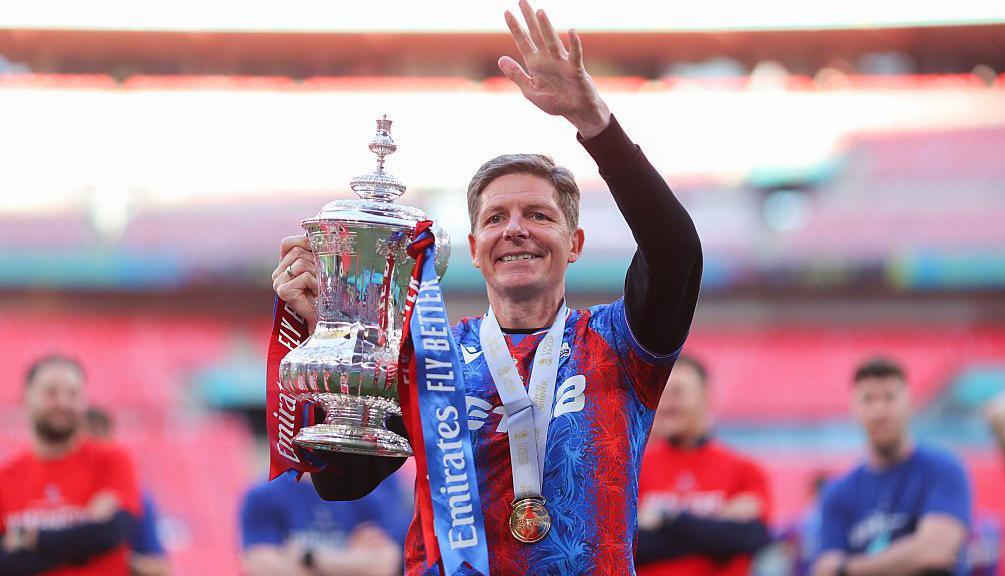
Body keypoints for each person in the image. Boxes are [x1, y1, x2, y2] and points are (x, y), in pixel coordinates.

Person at [271, 1, 702, 573]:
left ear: (574, 243)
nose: (516, 229)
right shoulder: (426, 355)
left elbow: (676, 255)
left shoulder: (620, 342)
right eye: (496, 218)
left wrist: (597, 126)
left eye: (539, 216)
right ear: (474, 250)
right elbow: (342, 483)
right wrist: (327, 331)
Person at [812, 357, 972, 576]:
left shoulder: (943, 469)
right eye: (868, 400)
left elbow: (936, 551)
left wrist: (847, 568)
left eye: (889, 398)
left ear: (910, 403)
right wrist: (910, 557)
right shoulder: (838, 493)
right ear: (854, 409)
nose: (879, 411)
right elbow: (825, 569)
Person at [0, 354, 142, 575]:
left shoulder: (113, 460)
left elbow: (111, 534)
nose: (63, 402)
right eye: (51, 392)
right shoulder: (6, 477)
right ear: (25, 398)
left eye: (73, 393)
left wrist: (30, 537)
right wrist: (85, 538)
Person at [635, 355, 772, 576]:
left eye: (677, 392)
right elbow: (631, 547)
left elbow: (751, 538)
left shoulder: (745, 470)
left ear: (705, 396)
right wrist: (715, 532)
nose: (668, 403)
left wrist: (667, 518)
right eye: (661, 393)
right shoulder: (633, 471)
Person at [239, 470, 410, 576]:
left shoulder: (374, 490)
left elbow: (384, 564)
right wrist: (350, 565)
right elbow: (261, 566)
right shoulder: (264, 495)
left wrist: (308, 557)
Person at [83, 407, 170, 576]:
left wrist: (118, 561)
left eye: (98, 442)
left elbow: (160, 567)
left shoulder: (135, 496)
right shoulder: (55, 491)